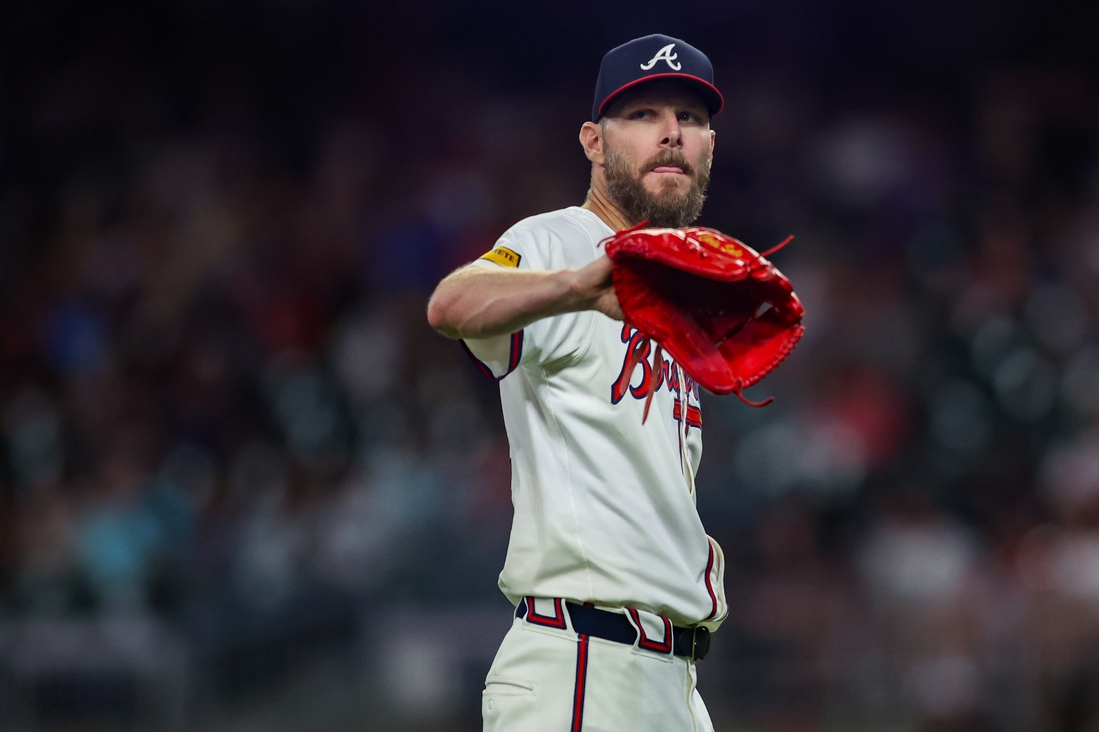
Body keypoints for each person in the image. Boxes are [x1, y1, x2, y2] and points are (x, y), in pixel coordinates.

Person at [427, 34, 727, 732]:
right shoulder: (557, 242)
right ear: (593, 141)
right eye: (644, 114)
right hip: (585, 662)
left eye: (689, 117)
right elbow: (451, 304)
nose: (671, 134)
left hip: (673, 680)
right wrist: (576, 287)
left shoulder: (681, 287)